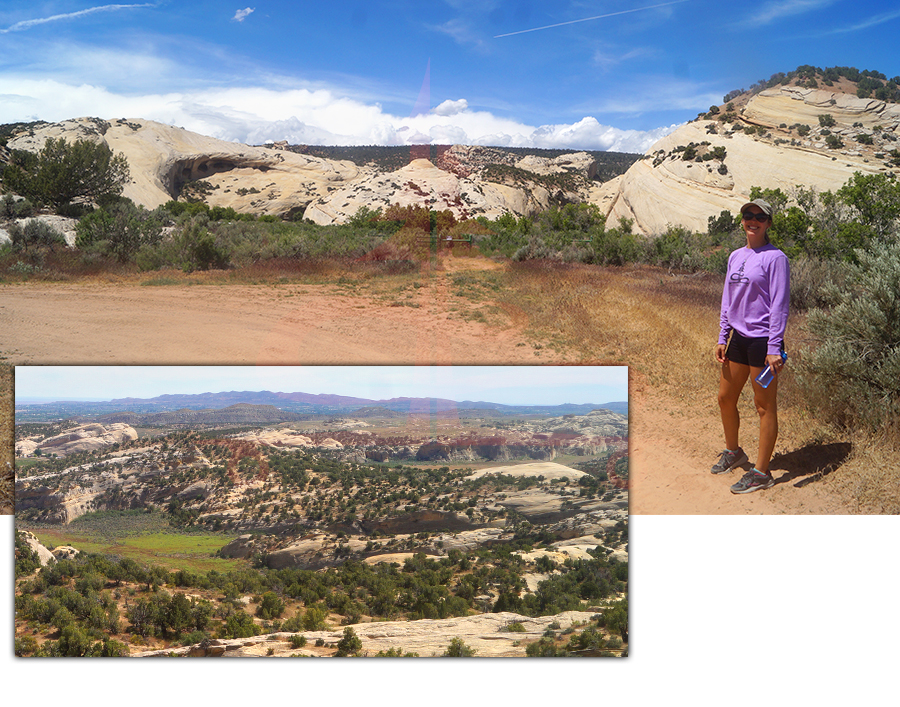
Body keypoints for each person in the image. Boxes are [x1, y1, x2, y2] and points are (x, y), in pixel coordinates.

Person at [711, 198, 790, 494]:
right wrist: (722, 336)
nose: (752, 220)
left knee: (763, 406)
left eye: (760, 216)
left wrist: (774, 346)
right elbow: (727, 299)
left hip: (762, 342)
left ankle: (761, 472)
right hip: (738, 339)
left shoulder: (776, 258)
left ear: (768, 223)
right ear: (742, 220)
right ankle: (734, 452)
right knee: (724, 398)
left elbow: (780, 304)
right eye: (748, 215)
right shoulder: (735, 255)